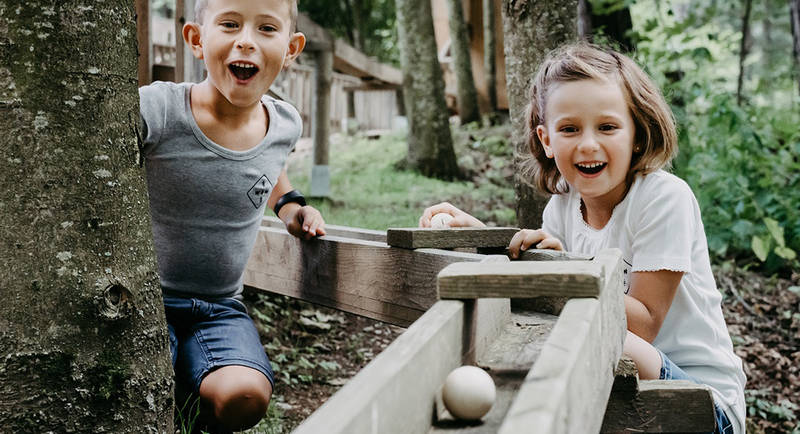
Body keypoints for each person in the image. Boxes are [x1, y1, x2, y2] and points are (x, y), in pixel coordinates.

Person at [420, 43, 746, 434]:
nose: (588, 144)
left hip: (700, 399)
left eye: (607, 127)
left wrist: (563, 272)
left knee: (577, 331)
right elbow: (548, 285)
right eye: (569, 129)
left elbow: (640, 326)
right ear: (546, 139)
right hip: (618, 385)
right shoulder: (561, 209)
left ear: (637, 134)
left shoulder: (663, 198)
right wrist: (483, 237)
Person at [138, 0, 325, 431]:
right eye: (229, 24)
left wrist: (292, 206)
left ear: (292, 47)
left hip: (220, 306)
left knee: (246, 397)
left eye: (266, 28)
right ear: (196, 40)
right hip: (146, 302)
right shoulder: (159, 110)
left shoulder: (284, 124)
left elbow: (267, 166)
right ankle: (178, 388)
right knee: (141, 388)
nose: (246, 39)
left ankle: (193, 398)